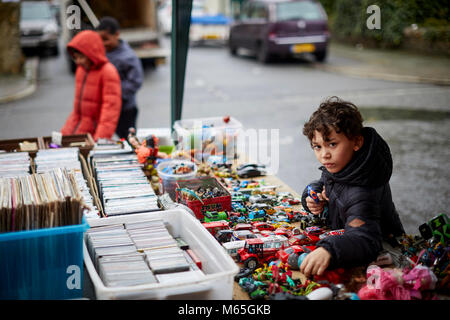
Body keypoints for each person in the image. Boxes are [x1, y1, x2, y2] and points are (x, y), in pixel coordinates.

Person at [299, 96, 404, 277]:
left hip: (386, 251)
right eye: (317, 146)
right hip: (345, 237)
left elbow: (364, 239)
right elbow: (327, 181)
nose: (324, 155)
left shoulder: (364, 188)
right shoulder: (344, 164)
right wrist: (312, 194)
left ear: (356, 142)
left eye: (332, 144)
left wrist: (329, 250)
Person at [61, 30, 121, 141]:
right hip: (80, 132)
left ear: (91, 54)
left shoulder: (108, 71)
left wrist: (99, 141)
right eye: (75, 57)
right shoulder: (81, 70)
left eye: (81, 57)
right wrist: (64, 135)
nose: (78, 61)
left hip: (93, 136)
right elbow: (77, 111)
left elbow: (110, 113)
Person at [97, 17, 144, 139]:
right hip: (105, 109)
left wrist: (114, 96)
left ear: (117, 34)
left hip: (125, 110)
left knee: (129, 141)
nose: (103, 43)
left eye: (106, 39)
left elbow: (135, 82)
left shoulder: (128, 57)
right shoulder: (101, 53)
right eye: (100, 39)